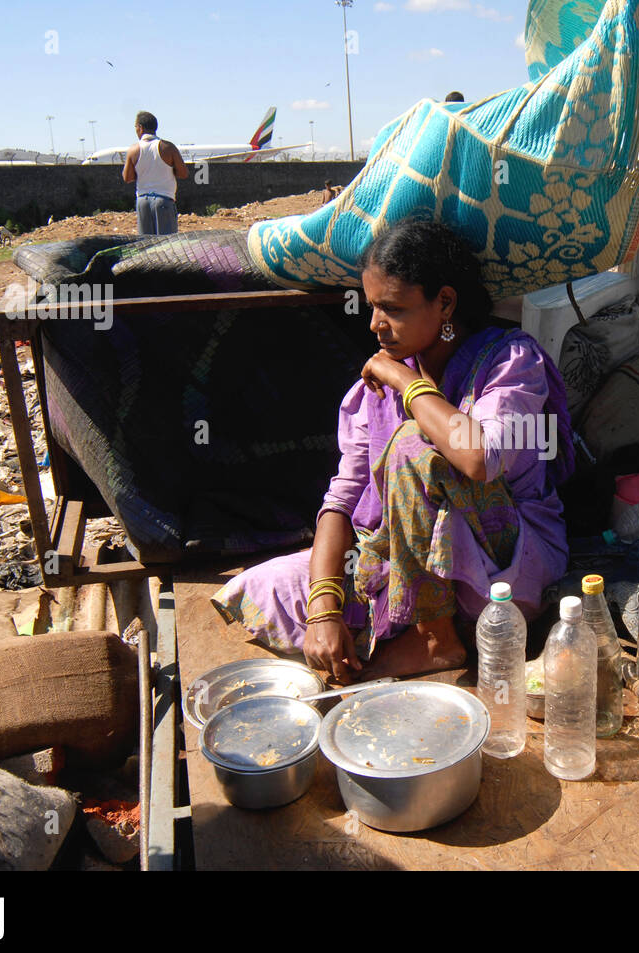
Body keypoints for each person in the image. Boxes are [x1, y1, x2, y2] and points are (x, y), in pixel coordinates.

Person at [212, 219, 575, 681]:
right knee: (270, 587)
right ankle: (406, 621)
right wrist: (324, 608)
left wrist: (407, 382)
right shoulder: (375, 390)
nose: (375, 325)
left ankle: (435, 638)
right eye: (371, 307)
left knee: (411, 446)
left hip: (502, 564)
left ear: (444, 302)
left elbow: (478, 455)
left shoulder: (509, 363)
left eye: (392, 309)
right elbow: (342, 500)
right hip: (409, 557)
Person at [123, 111, 188, 235]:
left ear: (140, 128)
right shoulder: (168, 147)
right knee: (166, 245)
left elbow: (127, 177)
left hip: (143, 201)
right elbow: (183, 173)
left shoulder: (133, 150)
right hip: (164, 200)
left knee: (146, 246)